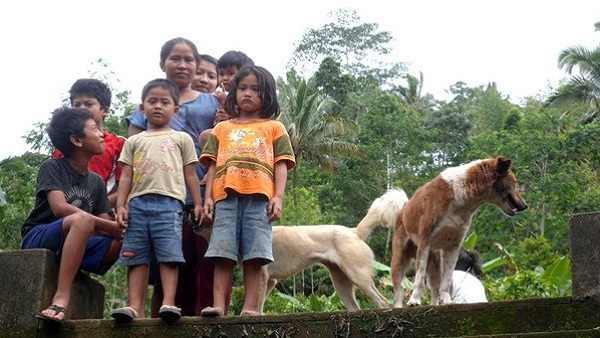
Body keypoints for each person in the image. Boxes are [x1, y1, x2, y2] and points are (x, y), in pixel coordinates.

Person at [127, 37, 232, 317]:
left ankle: (209, 322)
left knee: (209, 262)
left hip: (207, 196)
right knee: (169, 265)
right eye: (175, 58)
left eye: (189, 60)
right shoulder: (148, 105)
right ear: (163, 63)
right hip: (160, 198)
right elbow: (132, 157)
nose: (183, 65)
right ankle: (163, 324)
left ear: (197, 65)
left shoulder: (213, 103)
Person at [199, 65, 296, 317]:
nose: (247, 93)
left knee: (255, 256)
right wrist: (208, 197)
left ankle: (251, 307)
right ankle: (219, 306)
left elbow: (281, 164)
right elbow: (211, 164)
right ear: (234, 92)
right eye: (242, 88)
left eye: (255, 89)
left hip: (259, 201)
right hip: (225, 200)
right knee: (222, 254)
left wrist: (278, 197)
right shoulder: (222, 129)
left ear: (267, 95)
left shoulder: (275, 128)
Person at [110, 78, 202, 322]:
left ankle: (169, 303)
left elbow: (190, 173)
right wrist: (121, 204)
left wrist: (199, 203)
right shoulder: (133, 141)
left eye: (165, 102)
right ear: (142, 108)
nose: (158, 106)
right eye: (152, 101)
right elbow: (126, 175)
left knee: (169, 254)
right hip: (138, 205)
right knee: (135, 254)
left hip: (170, 205)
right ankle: (134, 306)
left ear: (175, 109)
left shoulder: (182, 139)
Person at [21, 107, 125, 323]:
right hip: (40, 236)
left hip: (77, 237)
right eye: (95, 129)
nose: (102, 134)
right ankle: (61, 297)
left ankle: (77, 266)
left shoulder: (96, 181)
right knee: (82, 220)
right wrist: (106, 225)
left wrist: (120, 226)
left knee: (125, 238)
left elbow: (106, 222)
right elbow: (60, 208)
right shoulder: (53, 167)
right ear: (77, 140)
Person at [52, 78, 125, 208]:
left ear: (105, 110)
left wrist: (94, 208)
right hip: (69, 215)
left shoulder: (119, 144)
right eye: (77, 104)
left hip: (106, 215)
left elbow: (125, 188)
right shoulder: (63, 147)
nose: (82, 109)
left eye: (88, 104)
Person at [198, 50, 255, 151]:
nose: (225, 78)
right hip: (222, 132)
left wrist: (224, 99)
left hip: (238, 132)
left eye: (231, 74)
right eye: (221, 74)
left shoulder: (244, 96)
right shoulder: (218, 94)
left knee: (206, 136)